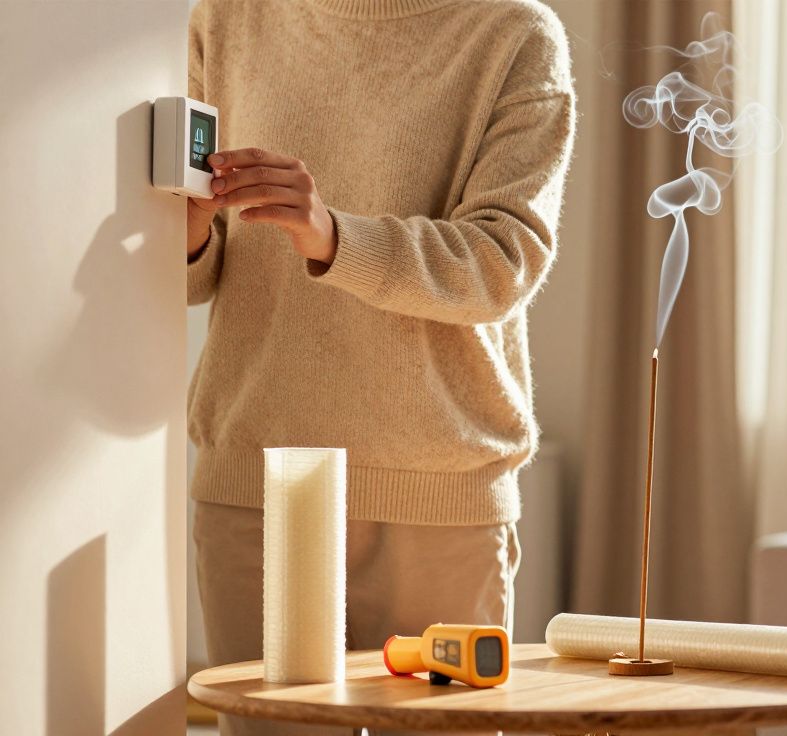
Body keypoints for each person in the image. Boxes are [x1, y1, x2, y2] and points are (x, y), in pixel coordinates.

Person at [185, 1, 574, 734]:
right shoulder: (229, 18)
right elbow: (193, 276)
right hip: (257, 489)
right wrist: (185, 236)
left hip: (439, 500)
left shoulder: (513, 34)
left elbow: (502, 262)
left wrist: (331, 235)